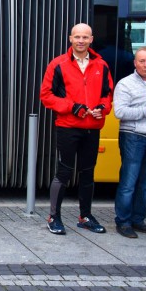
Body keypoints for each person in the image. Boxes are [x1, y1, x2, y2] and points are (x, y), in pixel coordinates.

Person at [40, 23, 113, 235]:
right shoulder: (58, 64)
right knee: (63, 172)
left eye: (85, 37)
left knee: (88, 173)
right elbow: (46, 96)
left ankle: (85, 216)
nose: (81, 40)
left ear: (91, 39)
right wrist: (73, 107)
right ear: (70, 39)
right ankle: (54, 217)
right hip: (68, 127)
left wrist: (103, 108)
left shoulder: (102, 65)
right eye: (77, 37)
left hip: (92, 127)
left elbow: (107, 94)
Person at [112, 46, 146, 238]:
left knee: (145, 184)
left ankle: (138, 220)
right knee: (129, 183)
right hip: (134, 138)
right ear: (135, 63)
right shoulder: (125, 84)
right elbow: (120, 113)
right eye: (142, 61)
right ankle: (123, 222)